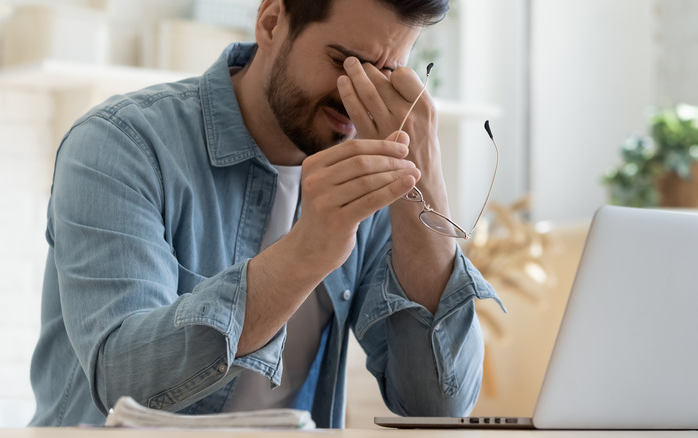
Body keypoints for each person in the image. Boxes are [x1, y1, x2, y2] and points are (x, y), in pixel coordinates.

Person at [29, 0, 504, 428]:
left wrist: (427, 185)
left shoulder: (373, 177)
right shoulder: (121, 145)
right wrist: (308, 251)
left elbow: (439, 408)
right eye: (345, 62)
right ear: (271, 21)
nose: (358, 96)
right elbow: (125, 386)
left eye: (388, 74)